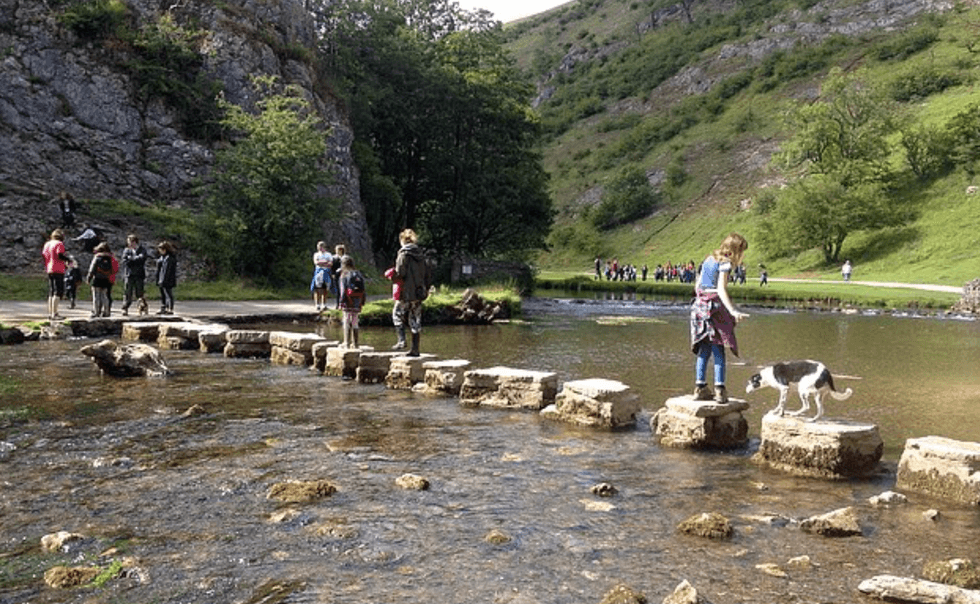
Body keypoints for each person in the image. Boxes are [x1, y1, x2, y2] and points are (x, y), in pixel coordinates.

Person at [690, 233, 750, 404]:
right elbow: (721, 289)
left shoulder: (708, 259)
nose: (742, 256)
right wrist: (732, 311)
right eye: (742, 252)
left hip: (700, 308)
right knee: (719, 350)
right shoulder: (725, 263)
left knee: (703, 349)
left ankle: (700, 388)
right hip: (715, 309)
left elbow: (697, 286)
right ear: (734, 251)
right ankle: (720, 391)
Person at [393, 228, 430, 357]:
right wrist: (426, 288)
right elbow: (427, 273)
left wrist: (392, 275)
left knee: (397, 314)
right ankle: (415, 349)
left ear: (402, 240)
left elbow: (400, 272)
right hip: (419, 292)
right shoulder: (421, 254)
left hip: (406, 292)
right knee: (415, 319)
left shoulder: (403, 254)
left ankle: (401, 341)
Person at [41, 229, 70, 320]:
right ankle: (55, 313)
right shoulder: (59, 244)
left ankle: (50, 312)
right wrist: (68, 260)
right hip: (58, 269)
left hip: (49, 268)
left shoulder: (47, 244)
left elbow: (44, 255)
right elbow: (59, 255)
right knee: (58, 291)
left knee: (51, 291)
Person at [338, 255, 365, 349]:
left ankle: (346, 343)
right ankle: (356, 343)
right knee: (355, 321)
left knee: (346, 320)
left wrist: (341, 302)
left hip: (347, 301)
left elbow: (342, 290)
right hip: (357, 301)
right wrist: (363, 301)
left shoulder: (344, 275)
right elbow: (363, 289)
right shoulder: (358, 274)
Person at [120, 234, 148, 316]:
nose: (129, 244)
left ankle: (142, 308)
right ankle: (125, 308)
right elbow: (125, 261)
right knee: (127, 292)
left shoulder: (142, 250)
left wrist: (131, 258)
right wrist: (134, 259)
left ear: (135, 242)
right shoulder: (126, 250)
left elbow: (142, 259)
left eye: (130, 242)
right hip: (129, 274)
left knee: (140, 292)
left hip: (139, 274)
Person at [86, 242, 116, 318]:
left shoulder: (97, 257)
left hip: (97, 279)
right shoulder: (110, 258)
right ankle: (106, 312)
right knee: (105, 296)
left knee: (96, 297)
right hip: (106, 279)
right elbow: (113, 269)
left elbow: (92, 268)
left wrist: (89, 278)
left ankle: (96, 312)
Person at [156, 241, 177, 315]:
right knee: (163, 295)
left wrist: (164, 280)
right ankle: (163, 307)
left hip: (167, 279)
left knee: (168, 294)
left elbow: (167, 270)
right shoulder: (162, 258)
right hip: (161, 278)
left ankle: (170, 308)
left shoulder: (170, 258)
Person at [310, 241, 333, 311]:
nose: (320, 248)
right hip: (318, 273)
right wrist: (325, 262)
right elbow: (316, 262)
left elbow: (330, 264)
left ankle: (324, 304)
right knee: (317, 289)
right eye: (319, 247)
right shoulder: (316, 254)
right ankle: (317, 304)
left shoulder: (328, 254)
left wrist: (321, 263)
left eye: (322, 246)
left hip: (326, 273)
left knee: (325, 289)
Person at [332, 244, 346, 309]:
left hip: (344, 275)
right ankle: (338, 304)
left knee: (343, 290)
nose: (336, 251)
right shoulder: (334, 258)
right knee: (338, 290)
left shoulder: (345, 257)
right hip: (337, 275)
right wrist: (333, 274)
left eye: (337, 250)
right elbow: (332, 267)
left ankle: (343, 303)